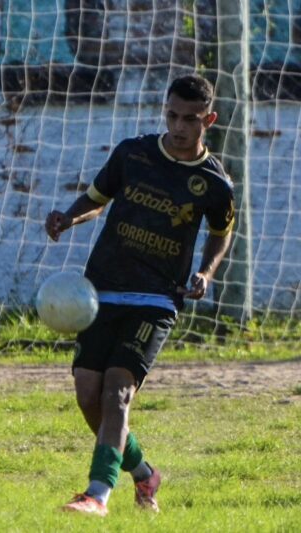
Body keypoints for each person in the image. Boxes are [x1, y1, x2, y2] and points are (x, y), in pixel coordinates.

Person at [44, 74, 234, 516]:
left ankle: (97, 494)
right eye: (171, 115)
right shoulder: (133, 153)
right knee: (88, 394)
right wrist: (69, 219)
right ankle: (144, 473)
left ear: (209, 119)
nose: (178, 126)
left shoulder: (214, 182)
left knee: (117, 393)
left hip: (156, 297)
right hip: (102, 289)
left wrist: (205, 272)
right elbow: (96, 198)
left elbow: (222, 234)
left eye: (189, 119)